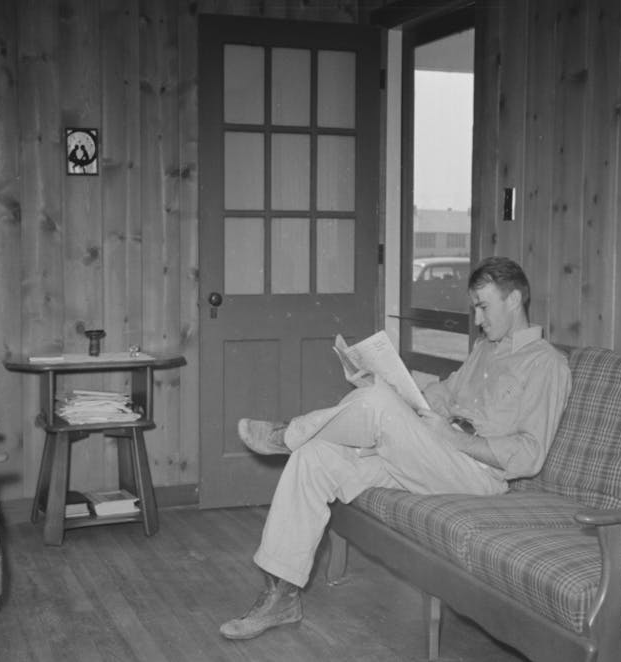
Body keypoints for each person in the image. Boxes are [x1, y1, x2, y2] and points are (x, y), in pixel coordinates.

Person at [219, 256, 572, 640]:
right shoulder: (485, 349)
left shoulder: (547, 364)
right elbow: (444, 394)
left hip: (477, 473)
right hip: (434, 456)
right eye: (475, 308)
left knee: (373, 405)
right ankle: (281, 596)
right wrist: (397, 389)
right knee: (315, 457)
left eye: (483, 306)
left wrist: (455, 438)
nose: (478, 318)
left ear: (515, 299)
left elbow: (530, 453)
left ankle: (287, 434)